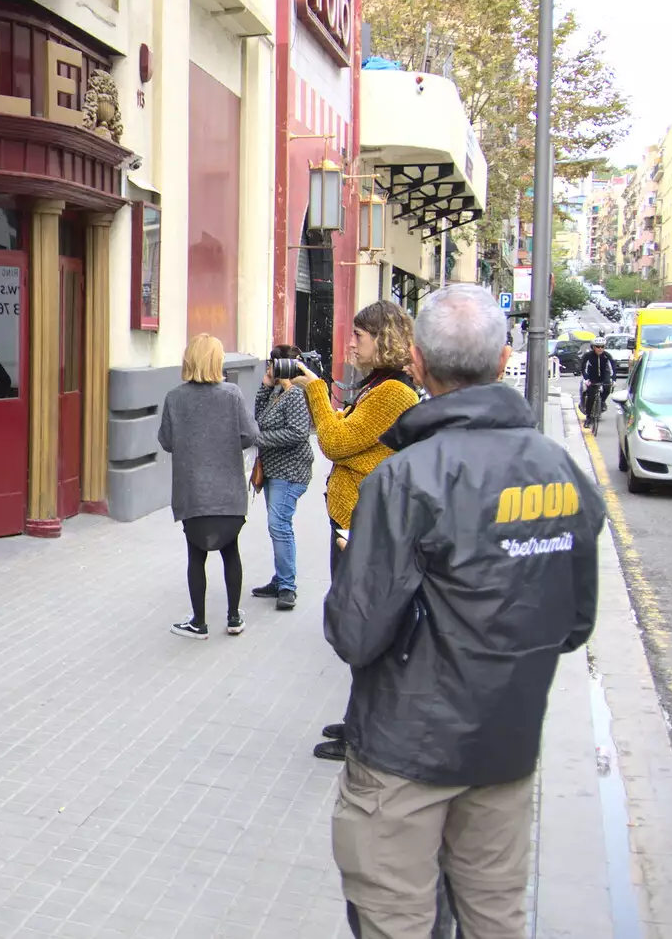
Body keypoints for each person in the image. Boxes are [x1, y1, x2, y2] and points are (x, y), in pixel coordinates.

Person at [325, 284, 603, 939]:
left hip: (403, 752)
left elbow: (355, 631)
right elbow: (575, 622)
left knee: (395, 921)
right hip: (505, 747)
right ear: (505, 360)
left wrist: (357, 555)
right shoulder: (561, 471)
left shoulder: (404, 477)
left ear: (416, 363)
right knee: (495, 918)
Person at [296, 300, 420, 761]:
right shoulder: (378, 387)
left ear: (381, 340)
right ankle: (358, 720)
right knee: (358, 626)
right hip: (354, 518)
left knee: (363, 629)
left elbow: (335, 441)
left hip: (363, 525)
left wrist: (315, 391)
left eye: (359, 336)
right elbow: (350, 442)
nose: (351, 343)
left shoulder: (392, 393)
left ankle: (365, 734)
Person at [157, 334, 260, 639]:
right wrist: (226, 444)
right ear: (217, 361)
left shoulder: (175, 398)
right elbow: (251, 434)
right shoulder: (232, 394)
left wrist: (193, 445)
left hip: (193, 494)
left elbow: (166, 441)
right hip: (229, 493)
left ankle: (199, 622)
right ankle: (233, 618)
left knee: (195, 556)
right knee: (231, 552)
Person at [250, 345, 315, 611]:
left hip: (291, 471)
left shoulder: (296, 393)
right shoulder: (278, 391)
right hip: (274, 470)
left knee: (279, 524)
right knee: (277, 524)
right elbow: (259, 417)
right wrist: (266, 385)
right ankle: (280, 580)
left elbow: (299, 432)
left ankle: (287, 587)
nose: (269, 367)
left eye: (273, 364)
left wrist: (261, 439)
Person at [580, 335, 615, 421]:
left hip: (604, 375)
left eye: (602, 347)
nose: (600, 349)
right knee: (591, 396)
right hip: (592, 376)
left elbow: (613, 368)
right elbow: (583, 367)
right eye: (598, 347)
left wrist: (614, 379)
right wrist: (586, 378)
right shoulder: (588, 355)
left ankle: (602, 401)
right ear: (593, 347)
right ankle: (588, 417)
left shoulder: (607, 356)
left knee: (608, 387)